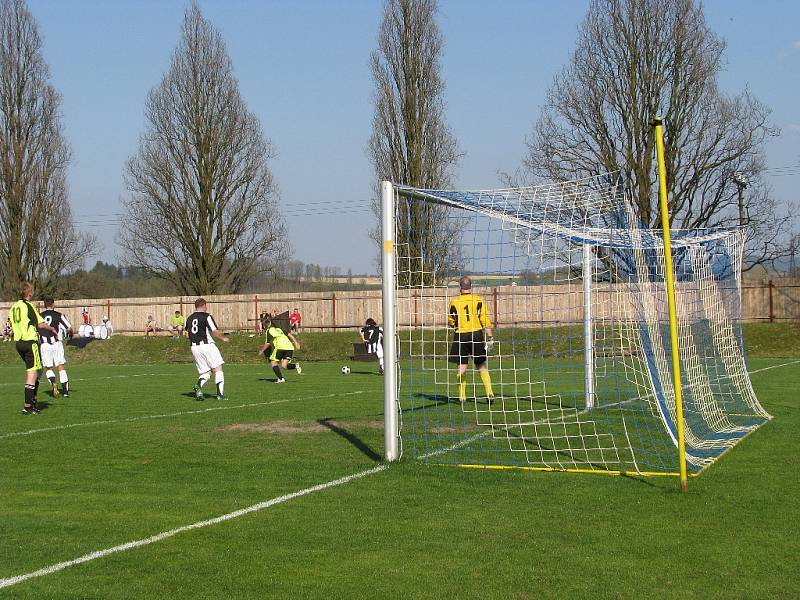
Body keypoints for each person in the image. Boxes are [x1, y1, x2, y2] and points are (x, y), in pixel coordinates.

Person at [9, 282, 58, 414]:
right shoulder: (28, 306)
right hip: (30, 342)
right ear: (29, 292)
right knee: (32, 372)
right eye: (31, 291)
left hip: (19, 343)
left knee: (38, 369)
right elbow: (41, 324)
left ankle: (33, 400)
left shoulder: (13, 307)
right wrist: (52, 328)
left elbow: (12, 326)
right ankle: (28, 406)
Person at [448, 276, 495, 404]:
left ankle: (462, 397)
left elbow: (451, 320)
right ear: (471, 286)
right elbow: (485, 320)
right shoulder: (478, 300)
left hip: (461, 336)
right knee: (481, 365)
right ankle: (489, 393)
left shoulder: (454, 302)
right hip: (476, 334)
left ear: (460, 287)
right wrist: (490, 338)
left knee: (462, 366)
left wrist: (454, 325)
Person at [187, 298, 229, 400]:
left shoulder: (189, 318)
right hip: (207, 345)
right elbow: (214, 331)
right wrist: (223, 338)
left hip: (194, 347)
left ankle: (199, 386)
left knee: (206, 372)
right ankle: (220, 395)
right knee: (218, 369)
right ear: (203, 305)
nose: (207, 308)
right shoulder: (207, 316)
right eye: (206, 306)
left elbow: (186, 333)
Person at [40, 297, 73, 398]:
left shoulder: (40, 316)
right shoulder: (59, 315)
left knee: (48, 368)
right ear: (53, 304)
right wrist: (71, 334)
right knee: (60, 367)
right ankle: (65, 391)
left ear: (45, 305)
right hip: (57, 344)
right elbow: (69, 328)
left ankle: (54, 384)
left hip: (45, 344)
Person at [258, 314, 301, 383]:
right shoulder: (279, 329)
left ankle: (280, 379)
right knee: (284, 365)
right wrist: (296, 342)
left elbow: (268, 343)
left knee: (273, 362)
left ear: (265, 325)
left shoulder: (269, 331)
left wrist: (261, 350)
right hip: (289, 347)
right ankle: (295, 366)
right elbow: (289, 334)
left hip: (281, 347)